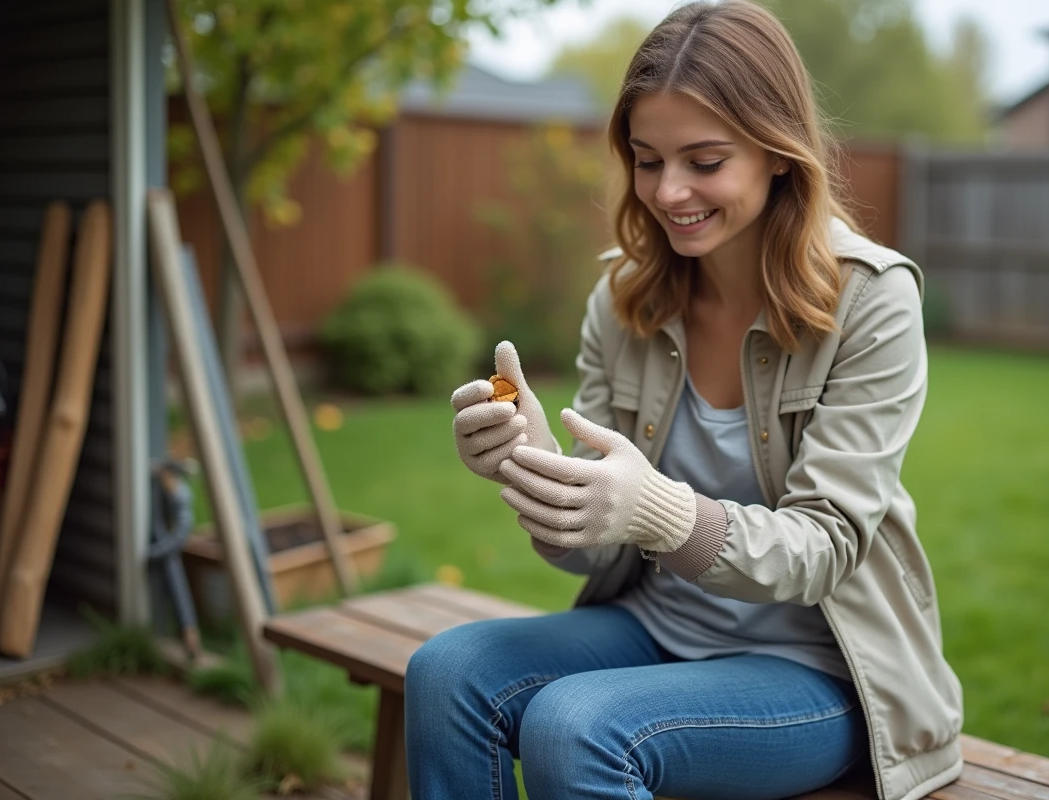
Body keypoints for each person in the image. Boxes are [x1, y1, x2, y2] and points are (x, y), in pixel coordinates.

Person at [406, 0, 964, 797]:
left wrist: (662, 514)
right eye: (646, 159)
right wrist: (527, 465)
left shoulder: (872, 301)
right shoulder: (624, 296)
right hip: (656, 628)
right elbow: (594, 552)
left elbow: (826, 547)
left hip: (819, 671)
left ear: (778, 153)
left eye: (704, 161)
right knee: (446, 671)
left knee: (576, 728)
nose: (669, 192)